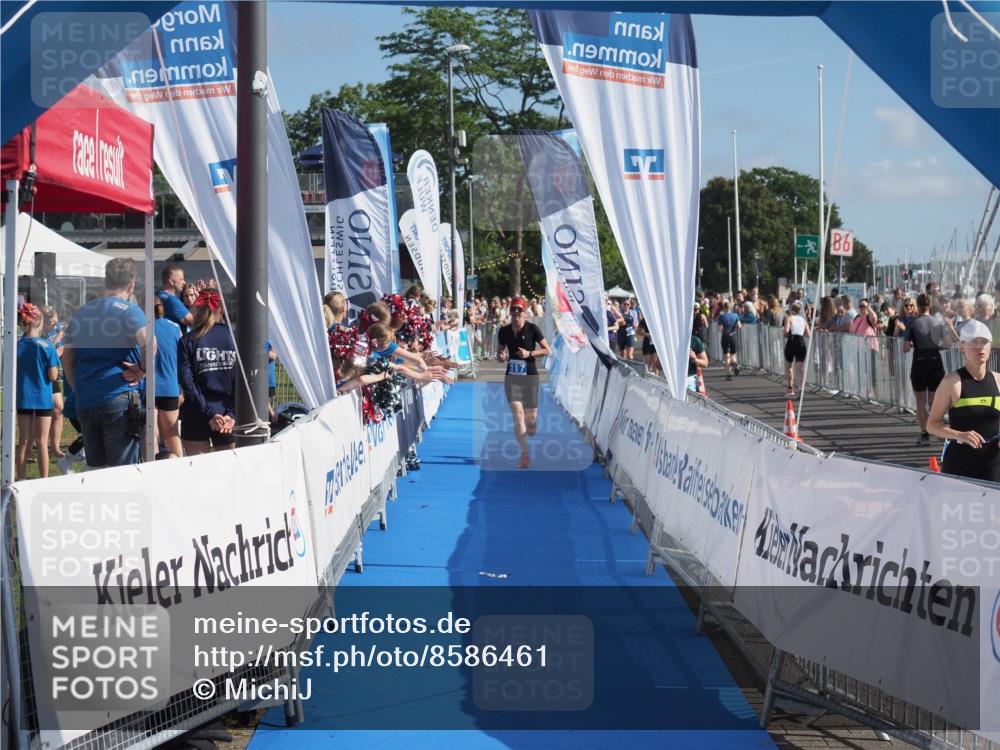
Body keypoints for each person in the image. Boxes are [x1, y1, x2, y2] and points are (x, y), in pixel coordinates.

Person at [62, 258, 152, 469]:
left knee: (96, 470)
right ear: (131, 284)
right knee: (123, 471)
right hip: (118, 398)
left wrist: (79, 388)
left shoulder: (80, 313)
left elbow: (67, 358)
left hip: (86, 400)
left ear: (106, 280)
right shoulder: (129, 310)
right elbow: (150, 342)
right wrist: (142, 370)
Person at [926, 320, 999, 482]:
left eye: (984, 342)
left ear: (990, 346)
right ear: (962, 347)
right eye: (974, 342)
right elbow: (932, 424)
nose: (979, 347)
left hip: (994, 463)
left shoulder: (998, 381)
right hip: (960, 463)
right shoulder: (951, 383)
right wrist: (960, 435)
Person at [178, 288, 237, 456]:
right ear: (222, 308)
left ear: (197, 309)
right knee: (227, 472)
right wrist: (230, 414)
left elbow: (187, 383)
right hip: (225, 414)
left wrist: (211, 413)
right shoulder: (234, 338)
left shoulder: (187, 341)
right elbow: (243, 381)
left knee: (197, 473)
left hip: (197, 411)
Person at [497, 297, 551, 469]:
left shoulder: (532, 329)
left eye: (519, 310)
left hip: (530, 377)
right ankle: (524, 454)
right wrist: (501, 356)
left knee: (531, 421)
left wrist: (530, 354)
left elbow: (547, 350)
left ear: (525, 312)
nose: (515, 313)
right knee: (518, 415)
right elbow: (500, 353)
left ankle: (533, 424)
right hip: (512, 377)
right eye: (513, 310)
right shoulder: (503, 331)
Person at [15, 304, 60, 479]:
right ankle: (44, 480)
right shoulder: (47, 346)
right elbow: (53, 376)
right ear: (39, 322)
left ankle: (21, 479)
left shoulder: (16, 346)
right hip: (42, 397)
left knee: (24, 441)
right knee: (42, 442)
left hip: (23, 397)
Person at [904, 293, 954, 446]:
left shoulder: (913, 323)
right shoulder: (937, 322)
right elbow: (948, 344)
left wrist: (913, 344)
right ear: (930, 306)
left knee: (920, 401)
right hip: (935, 362)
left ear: (917, 306)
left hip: (919, 362)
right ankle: (938, 431)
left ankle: (924, 434)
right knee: (934, 401)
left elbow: (905, 348)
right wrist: (935, 347)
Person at [153, 297, 183, 458]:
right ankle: (180, 467)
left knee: (151, 434)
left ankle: (151, 469)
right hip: (170, 386)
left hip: (149, 387)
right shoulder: (176, 327)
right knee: (172, 432)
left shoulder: (143, 327)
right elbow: (181, 358)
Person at [41, 306, 66, 458]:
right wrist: (60, 336)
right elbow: (48, 349)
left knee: (59, 409)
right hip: (40, 374)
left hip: (53, 373)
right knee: (38, 413)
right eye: (51, 323)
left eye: (56, 322)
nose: (55, 325)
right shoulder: (39, 333)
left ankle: (55, 447)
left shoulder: (57, 328)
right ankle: (35, 446)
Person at [783, 301, 811, 397]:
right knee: (800, 368)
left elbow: (786, 331)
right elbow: (808, 334)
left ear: (791, 309)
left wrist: (787, 332)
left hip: (792, 341)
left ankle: (790, 388)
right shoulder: (803, 320)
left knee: (789, 366)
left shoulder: (789, 317)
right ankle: (801, 389)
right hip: (801, 342)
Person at [157, 265, 194, 331]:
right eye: (181, 279)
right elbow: (192, 321)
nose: (184, 282)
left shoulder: (159, 295)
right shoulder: (171, 300)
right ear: (171, 282)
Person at [717, 300, 742, 379]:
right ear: (731, 308)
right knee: (733, 354)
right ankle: (734, 362)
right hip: (733, 336)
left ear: (724, 308)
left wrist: (722, 327)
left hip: (725, 336)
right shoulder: (735, 315)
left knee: (726, 355)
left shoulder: (721, 316)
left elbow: (720, 328)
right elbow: (739, 326)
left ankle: (728, 374)